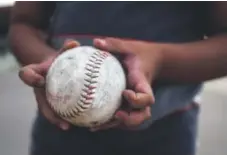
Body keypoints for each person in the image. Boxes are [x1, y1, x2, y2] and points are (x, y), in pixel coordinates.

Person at [9, 1, 227, 155]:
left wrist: (159, 60)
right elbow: (23, 23)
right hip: (58, 133)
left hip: (165, 133)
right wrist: (53, 67)